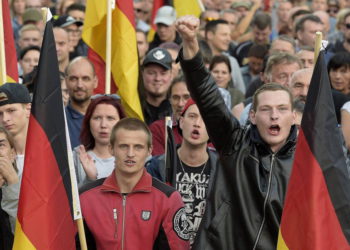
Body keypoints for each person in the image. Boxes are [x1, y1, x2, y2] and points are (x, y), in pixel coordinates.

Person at [176, 16, 298, 249]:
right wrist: (190, 43)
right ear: (252, 115)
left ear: (293, 117)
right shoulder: (235, 143)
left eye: (282, 109)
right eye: (266, 109)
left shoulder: (306, 160)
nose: (274, 116)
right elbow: (206, 95)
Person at [79, 118, 190, 249]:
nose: (130, 154)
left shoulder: (168, 199)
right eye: (123, 146)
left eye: (138, 147)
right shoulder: (85, 197)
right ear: (111, 149)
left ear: (149, 151)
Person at [147, 99, 220, 246]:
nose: (197, 123)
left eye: (204, 119)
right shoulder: (158, 166)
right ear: (181, 122)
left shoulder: (222, 168)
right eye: (192, 116)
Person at [74, 96, 126, 186]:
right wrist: (90, 179)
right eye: (97, 118)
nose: (103, 125)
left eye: (110, 118)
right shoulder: (76, 157)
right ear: (88, 122)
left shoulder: (134, 156)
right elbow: (70, 198)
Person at [149, 76, 190, 156]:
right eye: (175, 98)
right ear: (170, 100)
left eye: (186, 97)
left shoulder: (208, 129)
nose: (180, 104)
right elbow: (160, 166)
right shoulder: (158, 129)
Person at [65, 57, 98, 149]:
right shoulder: (58, 121)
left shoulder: (108, 119)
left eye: (85, 78)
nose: (79, 85)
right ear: (66, 82)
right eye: (74, 79)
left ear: (95, 82)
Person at [141, 47, 173, 125]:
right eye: (151, 73)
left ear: (171, 75)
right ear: (142, 74)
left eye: (163, 73)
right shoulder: (133, 108)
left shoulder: (178, 110)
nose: (157, 78)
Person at [0, 127, 18, 250]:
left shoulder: (29, 189)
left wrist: (13, 181)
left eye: (1, 145)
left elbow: (27, 234)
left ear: (13, 154)